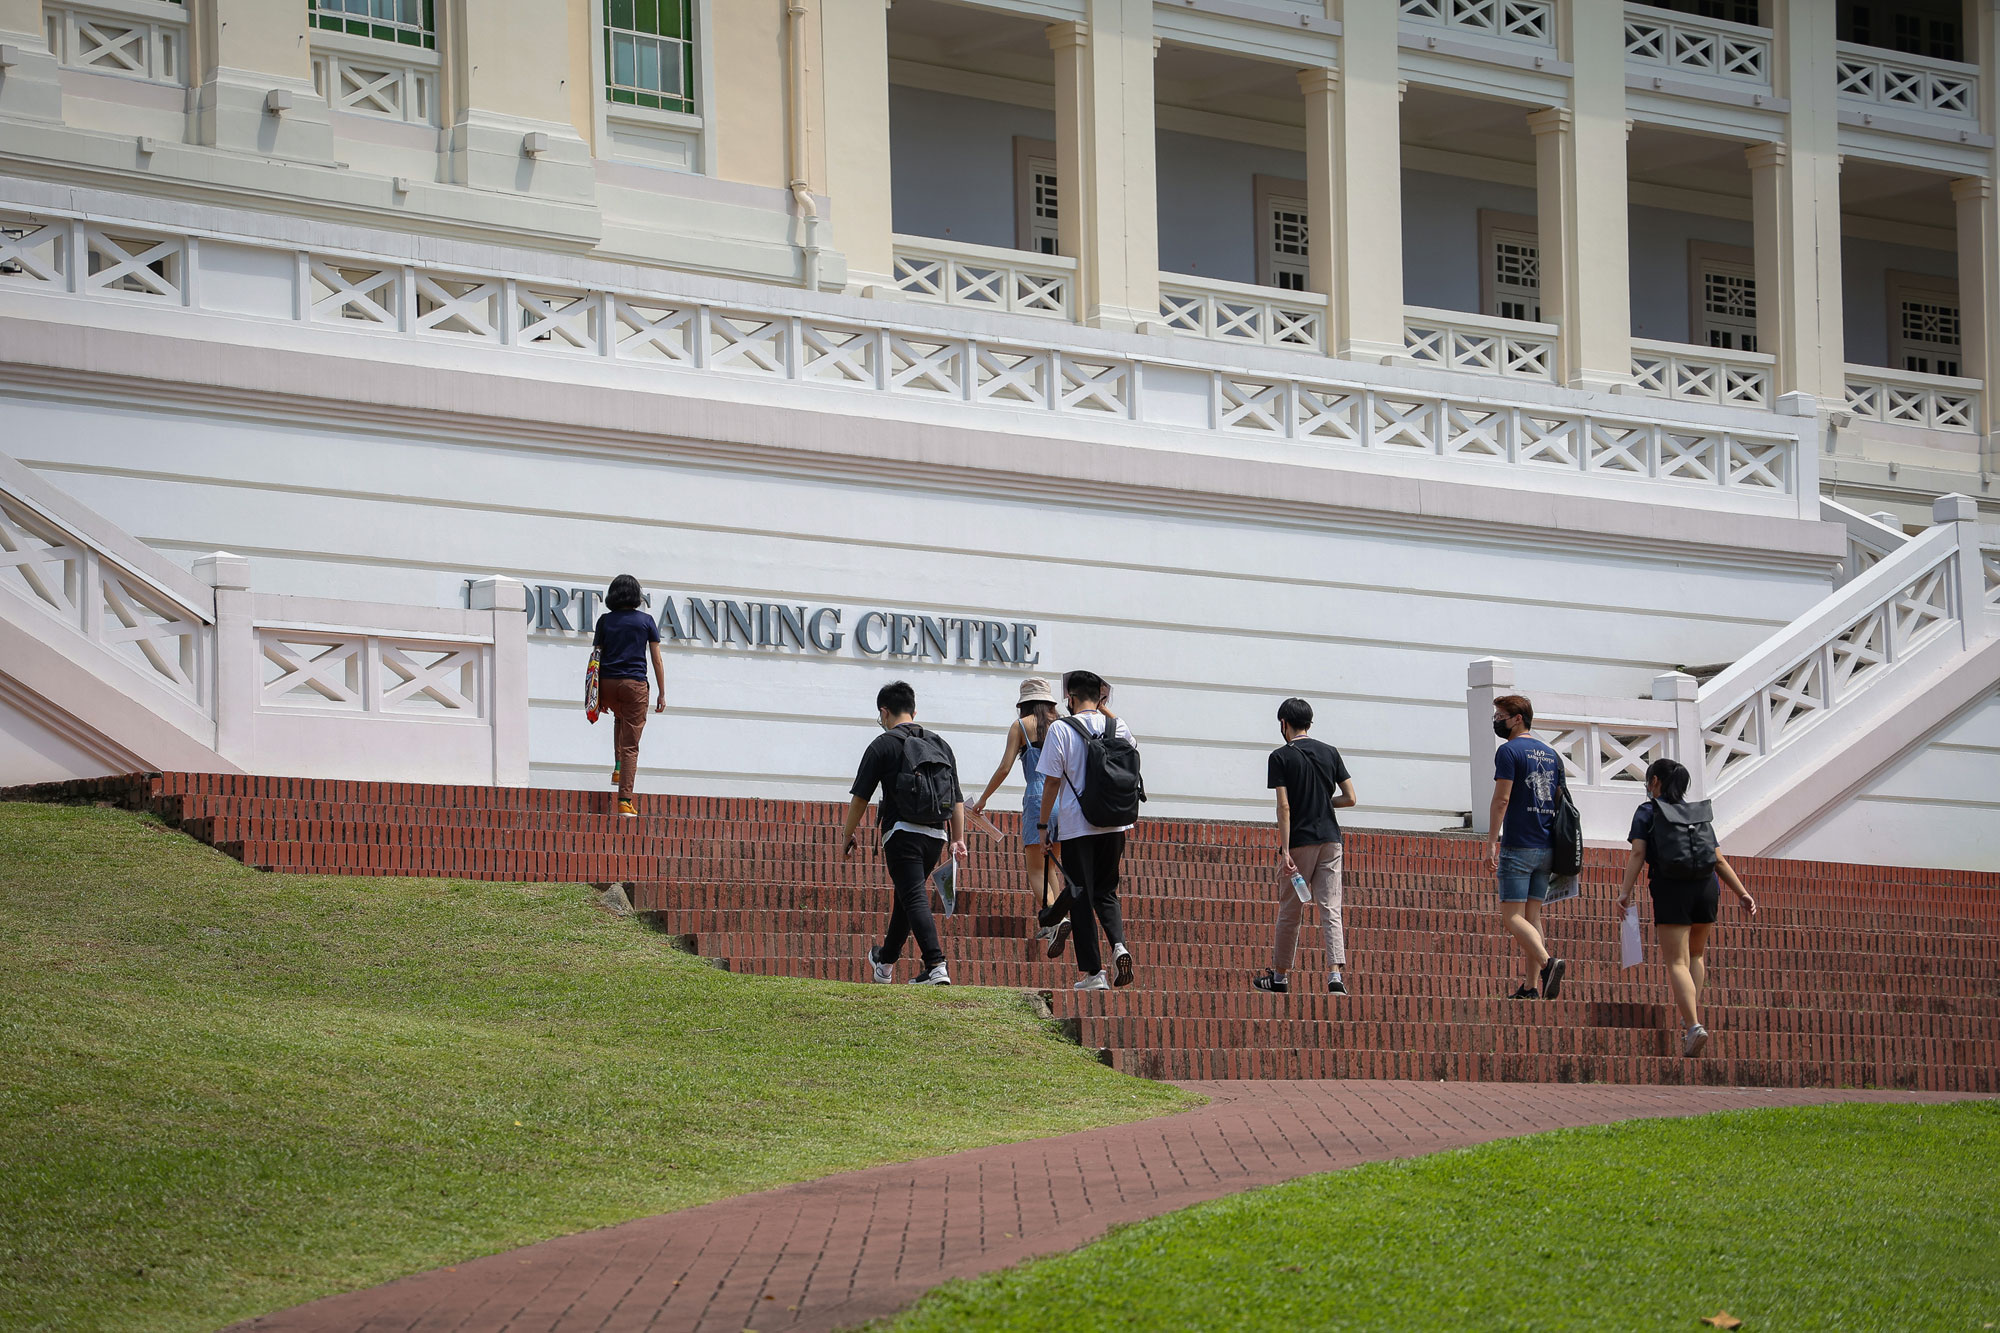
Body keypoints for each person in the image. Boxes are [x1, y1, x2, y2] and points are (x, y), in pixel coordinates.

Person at [1615, 758, 1757, 1058]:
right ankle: (1689, 1010)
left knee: (1676, 962)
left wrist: (1625, 891)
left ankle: (1693, 1026)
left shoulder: (1648, 811)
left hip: (1671, 889)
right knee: (1696, 955)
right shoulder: (1698, 813)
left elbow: (1639, 852)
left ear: (1654, 781)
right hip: (1707, 889)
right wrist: (1742, 893)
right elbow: (1718, 859)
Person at [838, 680, 969, 986]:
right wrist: (958, 839)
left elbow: (860, 797)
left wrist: (848, 834)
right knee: (905, 899)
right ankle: (884, 963)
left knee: (912, 896)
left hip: (902, 833)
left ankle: (936, 965)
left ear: (884, 712)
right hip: (936, 835)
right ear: (913, 710)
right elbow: (958, 798)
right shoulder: (940, 744)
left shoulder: (882, 745)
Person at [1036, 670, 1138, 991]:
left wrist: (1043, 825)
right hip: (1116, 822)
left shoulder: (1061, 729)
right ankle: (1119, 945)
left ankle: (1094, 973)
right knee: (1107, 890)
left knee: (1080, 895)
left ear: (1071, 698)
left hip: (1078, 826)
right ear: (1101, 697)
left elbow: (1051, 781)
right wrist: (1105, 708)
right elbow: (1132, 748)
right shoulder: (1117, 726)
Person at [1254, 698, 1359, 995]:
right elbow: (1350, 797)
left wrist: (1285, 850)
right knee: (1331, 908)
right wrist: (1326, 803)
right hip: (1331, 839)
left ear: (1284, 724)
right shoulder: (1330, 752)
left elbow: (1284, 807)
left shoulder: (1280, 757)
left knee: (1290, 910)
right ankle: (1335, 975)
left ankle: (1280, 976)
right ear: (1310, 723)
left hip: (1300, 840)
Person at [969, 677, 1071, 958]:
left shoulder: (1021, 726)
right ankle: (1056, 917)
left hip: (1039, 798)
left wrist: (984, 799)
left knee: (1036, 869)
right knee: (1052, 866)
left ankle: (1055, 920)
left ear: (1023, 704)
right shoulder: (1061, 726)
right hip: (1065, 801)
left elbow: (1004, 767)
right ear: (1050, 702)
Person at [1486, 693, 1568, 999]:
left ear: (1517, 718)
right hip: (1547, 845)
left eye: (1500, 716)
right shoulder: (1551, 754)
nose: (1497, 721)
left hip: (1519, 844)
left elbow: (1502, 799)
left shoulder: (1509, 752)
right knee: (1533, 917)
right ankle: (1532, 987)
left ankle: (1547, 965)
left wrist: (1492, 841)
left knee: (1511, 917)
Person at [591, 574, 666, 817]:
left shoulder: (604, 621)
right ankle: (624, 800)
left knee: (619, 718)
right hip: (634, 684)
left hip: (608, 683)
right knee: (631, 744)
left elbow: (596, 657)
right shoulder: (645, 621)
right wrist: (662, 692)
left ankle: (617, 767)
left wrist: (596, 694)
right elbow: (656, 659)